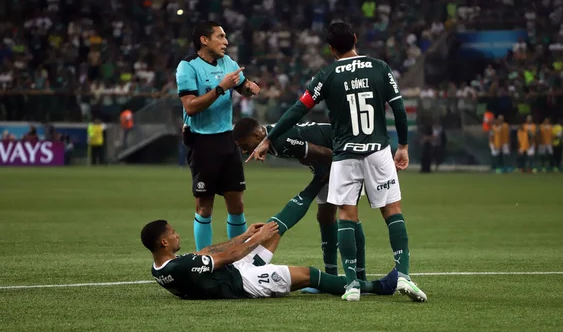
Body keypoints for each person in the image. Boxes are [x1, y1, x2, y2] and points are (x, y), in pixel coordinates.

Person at [247, 22, 427, 302]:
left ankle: (353, 284)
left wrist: (270, 137)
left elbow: (298, 109)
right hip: (378, 149)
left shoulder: (326, 75)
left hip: (345, 153)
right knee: (392, 210)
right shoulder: (379, 67)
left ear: (331, 49)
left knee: (346, 214)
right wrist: (402, 145)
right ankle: (403, 275)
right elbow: (399, 109)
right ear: (355, 39)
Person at [233, 117, 368, 292]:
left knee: (349, 215)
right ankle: (332, 278)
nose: (244, 151)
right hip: (325, 162)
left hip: (342, 154)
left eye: (245, 145)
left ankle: (361, 277)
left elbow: (326, 153)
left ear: (258, 135)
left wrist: (324, 175)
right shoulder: (270, 140)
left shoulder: (281, 140)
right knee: (325, 216)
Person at [141, 220, 399, 300]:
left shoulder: (159, 269)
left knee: (273, 228)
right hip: (242, 283)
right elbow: (228, 256)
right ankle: (379, 287)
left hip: (232, 272)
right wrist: (254, 239)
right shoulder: (181, 266)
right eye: (172, 233)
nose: (177, 235)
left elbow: (207, 251)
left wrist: (246, 235)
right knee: (309, 274)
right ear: (163, 242)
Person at [176, 21, 261, 251]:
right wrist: (221, 88)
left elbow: (241, 86)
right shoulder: (188, 66)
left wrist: (249, 87)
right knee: (205, 205)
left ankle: (239, 257)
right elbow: (191, 107)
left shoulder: (228, 62)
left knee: (237, 203)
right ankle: (205, 258)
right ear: (204, 40)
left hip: (227, 138)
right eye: (221, 37)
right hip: (202, 141)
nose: (226, 41)